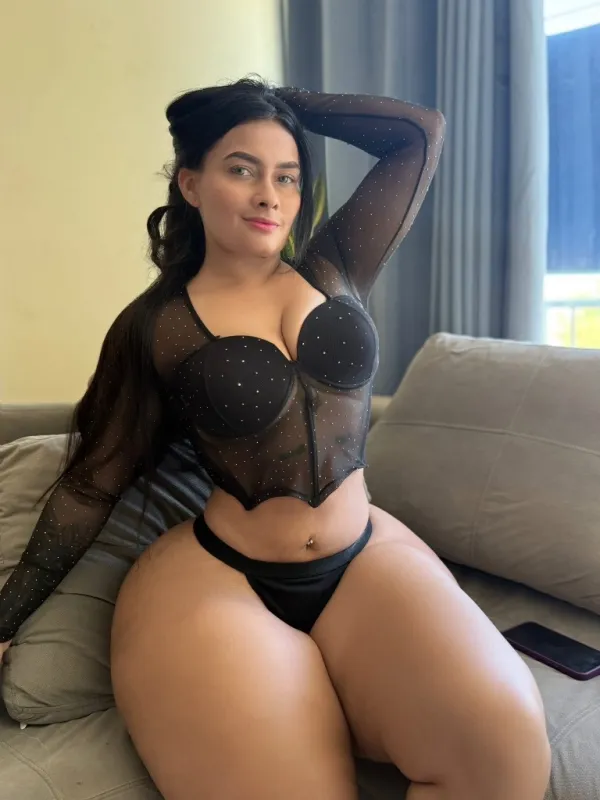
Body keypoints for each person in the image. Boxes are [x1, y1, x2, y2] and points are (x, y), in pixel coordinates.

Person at [0, 78, 550, 800]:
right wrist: (6, 617)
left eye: (286, 176)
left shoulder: (336, 263)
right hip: (226, 577)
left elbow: (417, 136)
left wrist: (272, 102)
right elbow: (91, 482)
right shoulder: (154, 326)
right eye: (242, 169)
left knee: (504, 757)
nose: (269, 195)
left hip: (363, 556)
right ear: (190, 184)